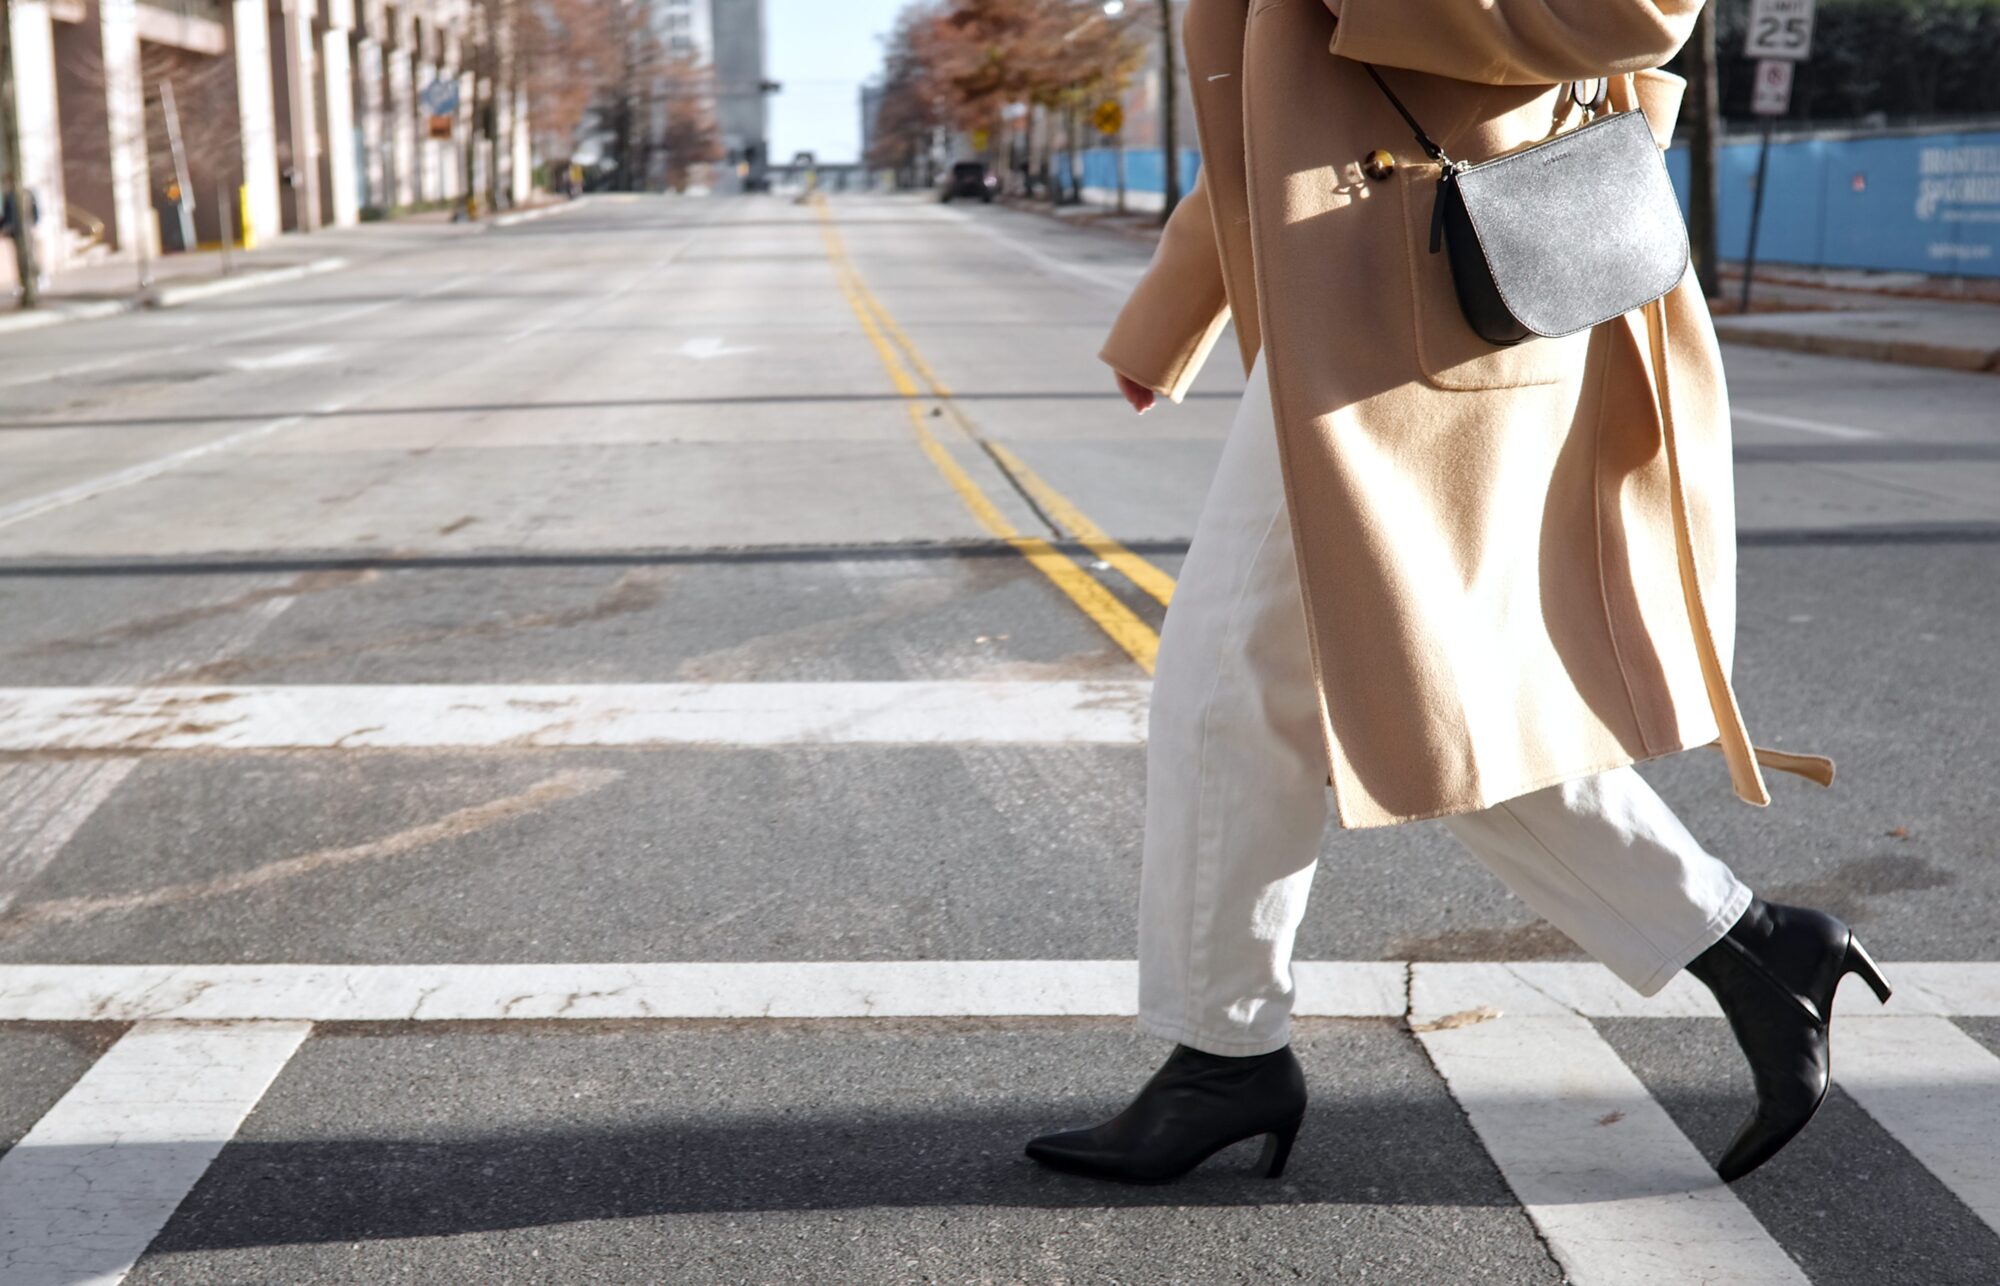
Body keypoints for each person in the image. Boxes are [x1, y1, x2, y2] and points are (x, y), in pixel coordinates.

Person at [1023, 0, 1890, 1187]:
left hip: (1450, 278)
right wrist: (1179, 302)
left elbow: (1635, 15)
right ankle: (1750, 946)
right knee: (1427, 699)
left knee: (1238, 682)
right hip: (1364, 294)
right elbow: (1282, 97)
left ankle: (1223, 1055)